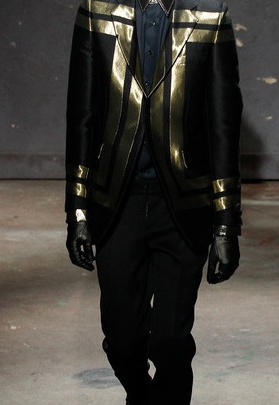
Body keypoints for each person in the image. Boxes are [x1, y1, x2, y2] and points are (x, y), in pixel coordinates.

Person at [65, 0, 243, 403]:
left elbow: (224, 127)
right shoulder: (97, 9)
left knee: (171, 342)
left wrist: (226, 225)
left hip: (183, 205)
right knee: (122, 340)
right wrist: (77, 211)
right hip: (117, 203)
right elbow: (81, 116)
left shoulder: (210, 15)